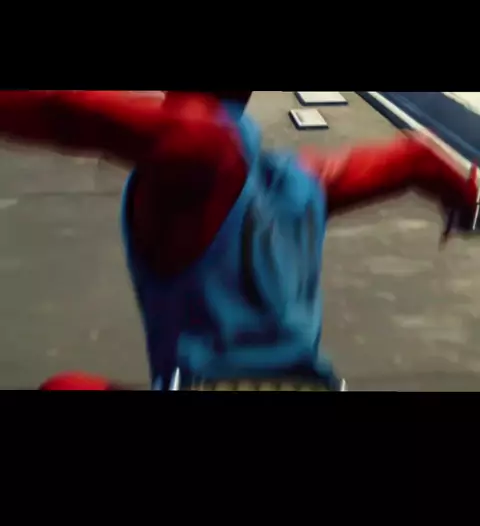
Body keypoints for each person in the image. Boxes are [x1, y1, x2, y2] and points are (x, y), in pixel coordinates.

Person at [0, 90, 477, 391]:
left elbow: (63, 110)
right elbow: (416, 160)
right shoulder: (299, 182)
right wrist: (465, 197)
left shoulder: (200, 146)